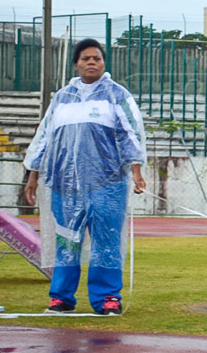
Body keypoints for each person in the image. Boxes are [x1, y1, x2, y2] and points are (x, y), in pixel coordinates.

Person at [24, 38, 147, 315]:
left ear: (104, 63)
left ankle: (107, 298)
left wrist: (137, 170)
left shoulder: (117, 95)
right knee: (67, 241)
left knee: (105, 240)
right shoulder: (63, 98)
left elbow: (130, 134)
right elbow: (44, 136)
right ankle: (61, 297)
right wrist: (33, 174)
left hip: (107, 184)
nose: (91, 62)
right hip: (65, 186)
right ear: (76, 64)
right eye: (85, 58)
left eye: (97, 58)